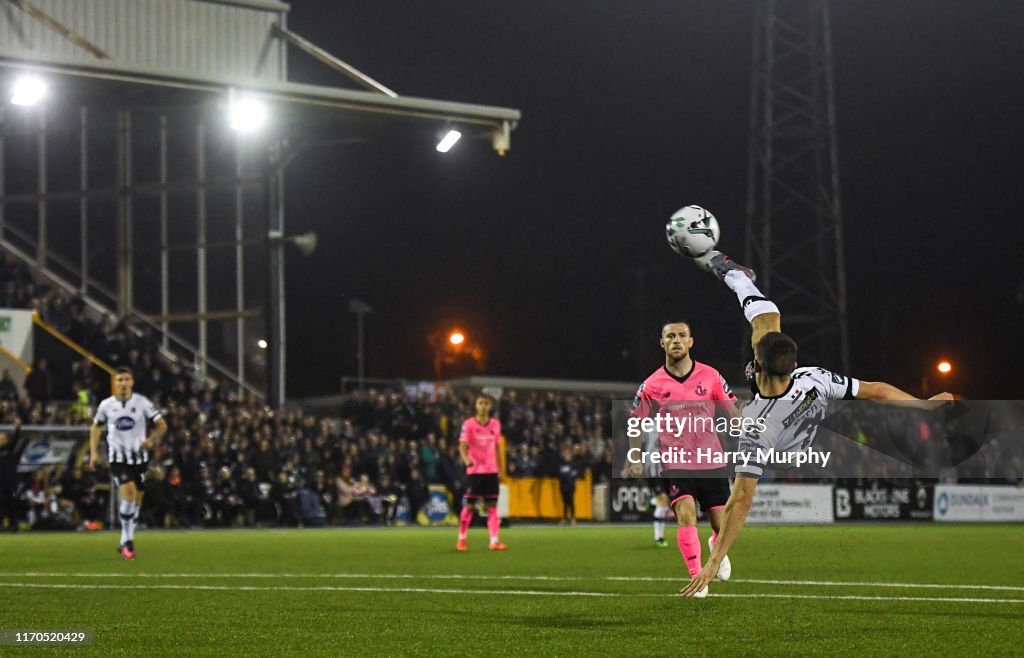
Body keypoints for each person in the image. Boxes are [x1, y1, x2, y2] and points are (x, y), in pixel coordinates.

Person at [679, 249, 952, 596]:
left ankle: (733, 274)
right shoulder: (814, 378)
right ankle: (732, 272)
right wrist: (923, 406)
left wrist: (715, 559)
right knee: (767, 317)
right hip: (792, 408)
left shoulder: (756, 428)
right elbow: (878, 391)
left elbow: (742, 500)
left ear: (758, 366)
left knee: (735, 482)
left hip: (789, 445)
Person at [626, 319, 739, 596]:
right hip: (675, 461)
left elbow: (733, 412)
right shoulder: (652, 384)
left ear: (691, 342)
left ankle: (717, 544)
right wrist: (635, 455)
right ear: (662, 343)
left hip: (712, 460)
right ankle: (697, 578)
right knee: (685, 514)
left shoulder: (711, 376)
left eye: (682, 335)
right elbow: (634, 420)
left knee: (720, 523)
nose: (676, 340)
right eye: (670, 336)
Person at [89, 366, 167, 559]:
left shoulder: (142, 403)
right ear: (114, 383)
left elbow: (162, 425)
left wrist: (151, 440)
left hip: (139, 459)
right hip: (118, 459)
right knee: (129, 493)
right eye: (119, 380)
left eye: (126, 379)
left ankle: (125, 538)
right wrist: (93, 453)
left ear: (132, 382)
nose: (123, 383)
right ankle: (128, 542)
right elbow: (96, 427)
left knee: (136, 501)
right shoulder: (106, 405)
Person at [456, 393, 507, 551]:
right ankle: (462, 539)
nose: (483, 406)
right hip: (475, 472)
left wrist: (500, 469)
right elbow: (462, 445)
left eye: (486, 403)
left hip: (491, 471)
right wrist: (466, 460)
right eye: (480, 403)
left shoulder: (495, 425)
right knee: (470, 506)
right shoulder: (469, 424)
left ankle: (494, 541)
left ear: (490, 406)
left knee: (492, 506)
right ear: (476, 406)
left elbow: (498, 448)